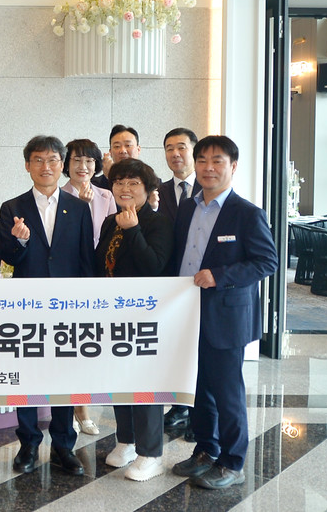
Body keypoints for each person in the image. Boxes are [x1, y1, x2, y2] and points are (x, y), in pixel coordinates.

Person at [170, 135, 278, 490]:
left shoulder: (247, 213)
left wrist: (219, 275)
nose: (208, 168)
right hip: (187, 313)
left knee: (226, 392)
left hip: (226, 317)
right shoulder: (188, 207)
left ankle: (233, 463)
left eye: (217, 161)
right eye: (202, 160)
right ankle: (206, 449)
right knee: (198, 387)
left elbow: (267, 262)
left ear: (233, 166)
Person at [0, 135, 93, 476]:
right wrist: (20, 241)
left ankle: (64, 445)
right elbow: (8, 258)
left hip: (68, 307)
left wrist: (86, 306)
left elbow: (86, 260)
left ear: (62, 164)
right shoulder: (12, 207)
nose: (46, 166)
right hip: (28, 307)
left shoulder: (79, 208)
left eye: (53, 160)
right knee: (28, 375)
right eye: (38, 160)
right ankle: (28, 443)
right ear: (27, 165)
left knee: (64, 376)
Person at [95, 158, 174, 482]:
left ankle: (150, 453)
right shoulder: (109, 222)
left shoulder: (158, 223)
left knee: (145, 384)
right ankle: (126, 441)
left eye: (133, 183)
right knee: (119, 379)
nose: (124, 188)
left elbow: (154, 265)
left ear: (148, 189)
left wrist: (133, 230)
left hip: (146, 317)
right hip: (113, 314)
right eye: (119, 182)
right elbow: (101, 265)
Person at [60, 138, 117, 436]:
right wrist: (79, 208)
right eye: (77, 160)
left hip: (98, 279)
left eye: (89, 161)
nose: (83, 166)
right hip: (69, 280)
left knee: (86, 349)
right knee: (66, 348)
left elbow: (112, 239)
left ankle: (82, 408)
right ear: (66, 164)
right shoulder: (58, 196)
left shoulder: (107, 195)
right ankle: (70, 411)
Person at [156, 127, 201, 433]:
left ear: (194, 151)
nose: (175, 154)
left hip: (199, 283)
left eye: (182, 147)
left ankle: (199, 413)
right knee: (174, 348)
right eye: (169, 148)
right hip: (168, 284)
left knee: (200, 350)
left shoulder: (207, 189)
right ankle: (179, 405)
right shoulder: (156, 191)